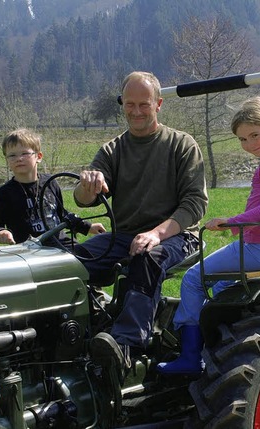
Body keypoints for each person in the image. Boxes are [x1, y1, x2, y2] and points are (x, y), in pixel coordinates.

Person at [156, 96, 260, 375]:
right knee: (221, 286)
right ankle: (222, 343)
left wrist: (230, 221)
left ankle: (190, 357)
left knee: (194, 279)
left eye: (255, 135)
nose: (250, 144)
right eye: (243, 139)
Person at [74, 71, 208, 380]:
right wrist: (87, 184)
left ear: (159, 104)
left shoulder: (181, 145)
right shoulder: (114, 150)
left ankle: (126, 347)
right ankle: (83, 330)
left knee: (147, 257)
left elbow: (194, 204)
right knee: (70, 263)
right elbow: (84, 200)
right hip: (125, 235)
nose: (136, 112)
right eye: (129, 104)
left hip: (177, 235)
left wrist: (156, 234)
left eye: (143, 104)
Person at [0, 128, 105, 246]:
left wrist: (87, 227)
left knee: (91, 259)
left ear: (39, 156)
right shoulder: (4, 194)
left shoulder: (50, 183)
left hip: (61, 244)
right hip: (28, 250)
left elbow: (61, 214)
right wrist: (0, 232)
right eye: (12, 155)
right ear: (6, 160)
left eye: (25, 153)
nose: (19, 159)